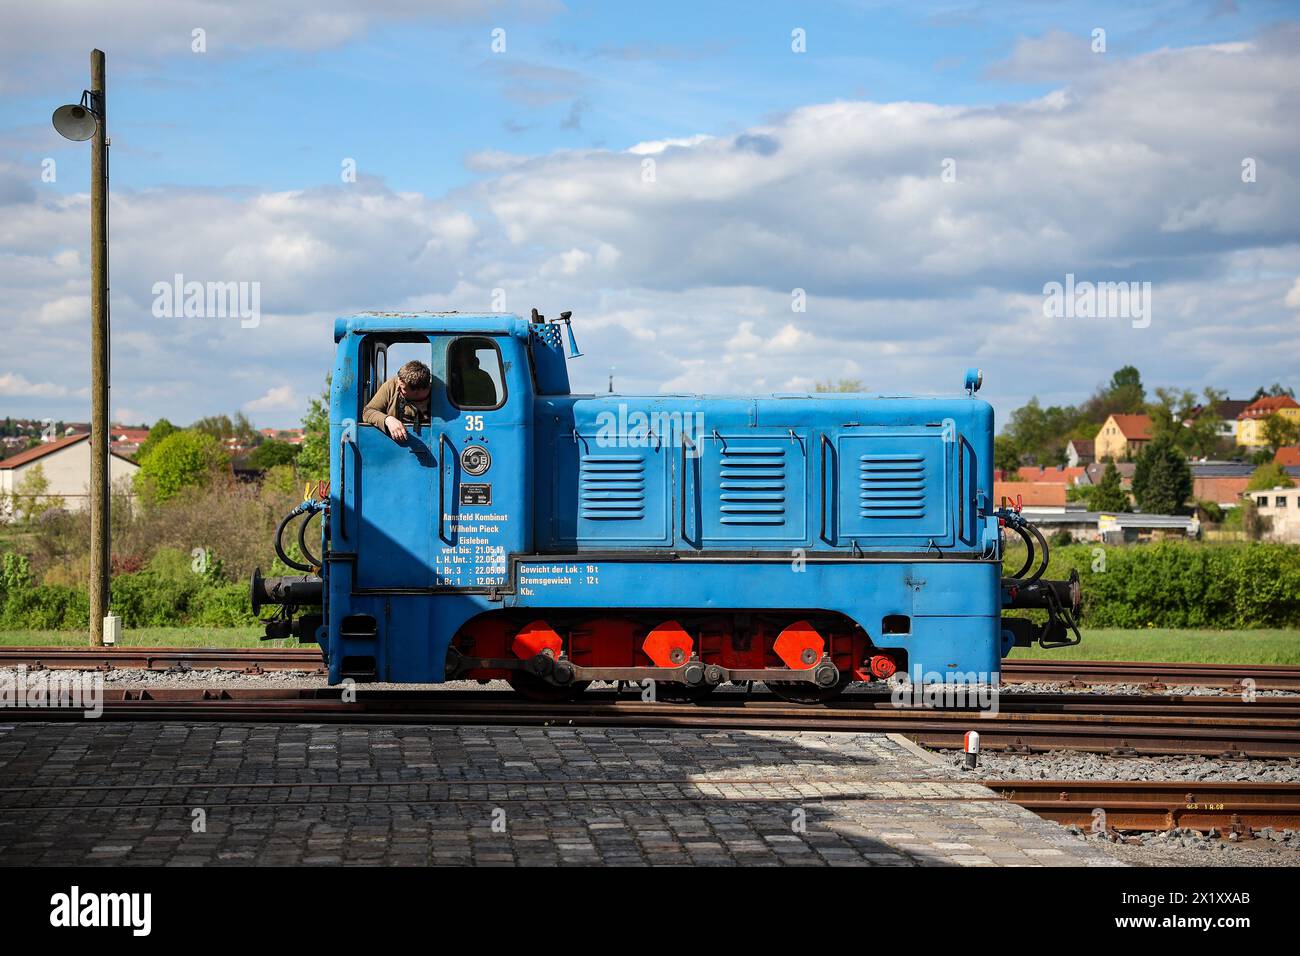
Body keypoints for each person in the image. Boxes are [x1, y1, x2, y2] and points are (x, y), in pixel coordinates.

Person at [363, 360, 432, 442]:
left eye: (403, 388)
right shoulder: (392, 385)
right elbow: (367, 412)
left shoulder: (440, 393)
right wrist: (388, 419)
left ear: (418, 391)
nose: (398, 388)